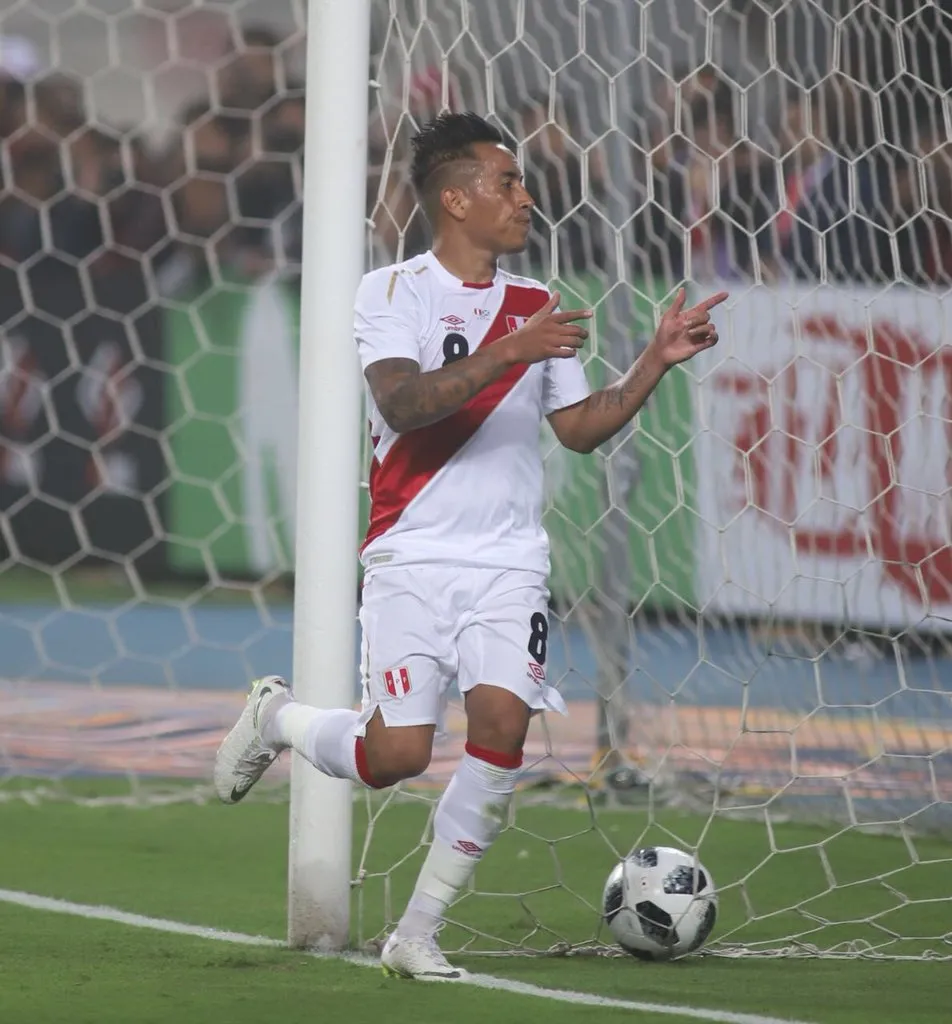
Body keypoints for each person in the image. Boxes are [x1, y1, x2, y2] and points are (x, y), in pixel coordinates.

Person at [213, 111, 726, 979]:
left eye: (522, 182)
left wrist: (653, 362)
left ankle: (416, 933)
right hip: (411, 553)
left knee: (500, 732)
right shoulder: (391, 292)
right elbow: (405, 406)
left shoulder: (535, 306)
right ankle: (275, 714)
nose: (525, 197)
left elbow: (577, 432)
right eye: (507, 182)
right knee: (394, 758)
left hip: (509, 563)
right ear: (455, 199)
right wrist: (509, 352)